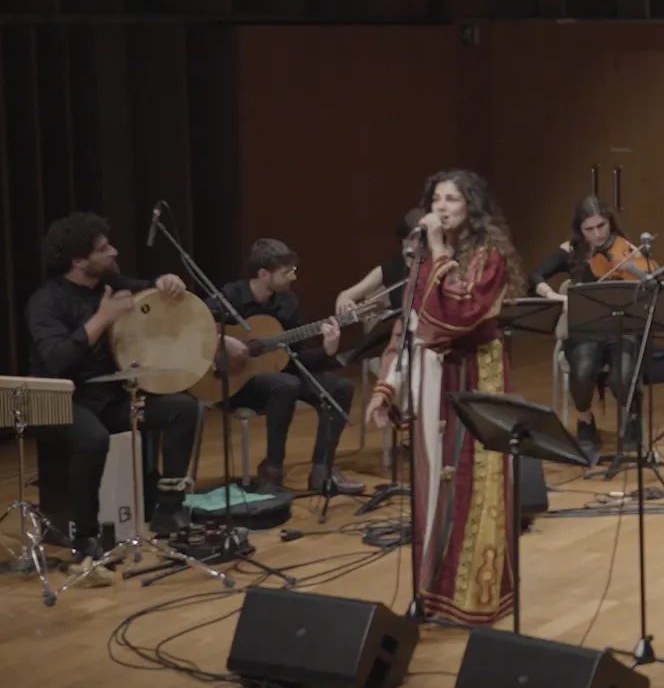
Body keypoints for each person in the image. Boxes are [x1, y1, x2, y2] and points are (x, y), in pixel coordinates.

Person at [365, 170, 524, 627]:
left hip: (476, 375)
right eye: (436, 198)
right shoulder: (422, 257)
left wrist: (436, 251)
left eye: (452, 199)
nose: (442, 206)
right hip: (434, 378)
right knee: (433, 486)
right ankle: (432, 595)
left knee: (474, 487)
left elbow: (458, 311)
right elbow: (409, 322)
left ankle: (472, 599)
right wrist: (388, 387)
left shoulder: (487, 257)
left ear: (471, 206)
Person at [26, 212, 202, 562]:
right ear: (78, 260)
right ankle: (87, 538)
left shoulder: (112, 281)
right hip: (58, 401)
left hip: (108, 399)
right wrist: (103, 318)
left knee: (184, 408)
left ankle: (168, 508)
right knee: (92, 439)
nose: (113, 251)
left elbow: (148, 287)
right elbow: (57, 359)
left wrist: (166, 281)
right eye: (103, 248)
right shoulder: (46, 302)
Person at [213, 238, 361, 494]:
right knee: (286, 385)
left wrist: (327, 350)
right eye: (287, 272)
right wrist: (222, 339)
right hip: (235, 381)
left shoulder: (288, 302)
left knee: (341, 388)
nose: (294, 276)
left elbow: (298, 358)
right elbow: (197, 329)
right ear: (263, 274)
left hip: (282, 376)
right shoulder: (231, 296)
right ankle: (272, 471)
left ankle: (322, 472)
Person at [529, 195, 655, 461]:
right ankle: (585, 421)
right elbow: (535, 275)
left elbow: (649, 284)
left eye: (602, 226)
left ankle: (632, 417)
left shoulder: (626, 248)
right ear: (580, 229)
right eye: (590, 229)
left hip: (622, 328)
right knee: (583, 370)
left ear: (610, 222)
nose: (598, 235)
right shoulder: (570, 250)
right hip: (585, 330)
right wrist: (555, 297)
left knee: (624, 375)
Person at [335, 208, 425, 317]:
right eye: (411, 238)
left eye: (420, 239)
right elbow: (345, 296)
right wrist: (345, 302)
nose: (416, 244)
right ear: (402, 240)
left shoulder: (436, 266)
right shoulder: (391, 268)